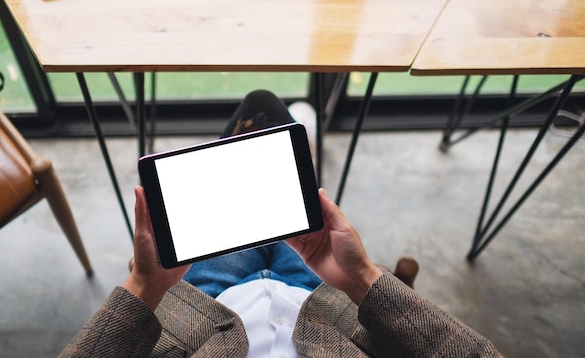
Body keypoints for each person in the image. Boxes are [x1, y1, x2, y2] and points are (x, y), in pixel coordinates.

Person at [59, 91, 502, 358]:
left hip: (208, 304)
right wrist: (364, 280)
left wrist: (145, 285)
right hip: (323, 303)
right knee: (281, 168)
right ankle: (287, 150)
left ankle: (267, 146)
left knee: (258, 121)